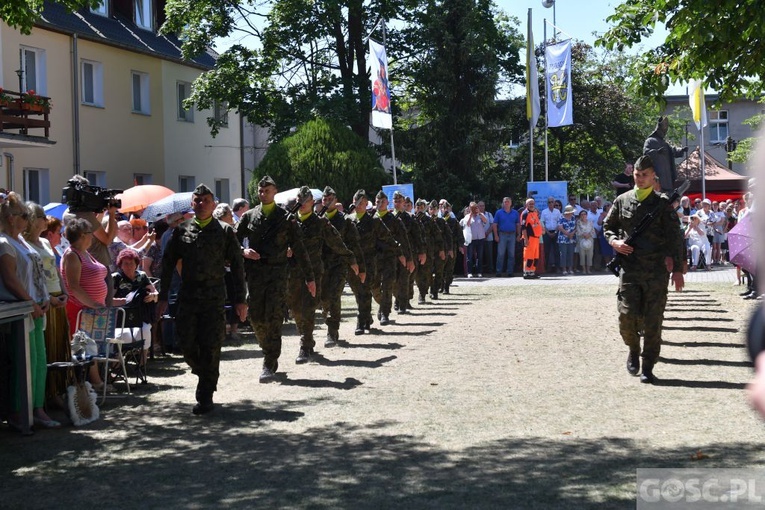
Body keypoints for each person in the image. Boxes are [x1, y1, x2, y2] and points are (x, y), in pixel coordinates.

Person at [158, 184, 247, 414]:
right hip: (188, 295)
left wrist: (240, 299)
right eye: (197, 200)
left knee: (211, 345)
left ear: (213, 204)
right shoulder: (181, 230)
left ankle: (205, 395)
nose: (201, 204)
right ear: (192, 204)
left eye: (206, 200)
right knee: (185, 343)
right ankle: (204, 372)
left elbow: (237, 267)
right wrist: (162, 296)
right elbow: (167, 264)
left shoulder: (225, 231)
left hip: (214, 296)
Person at [604, 154, 685, 384]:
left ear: (653, 177)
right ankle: (633, 349)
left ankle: (648, 365)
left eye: (644, 175)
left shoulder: (662, 204)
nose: (640, 179)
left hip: (656, 272)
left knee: (653, 321)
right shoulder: (622, 200)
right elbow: (608, 226)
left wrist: (677, 269)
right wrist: (614, 242)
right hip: (629, 271)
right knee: (626, 317)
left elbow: (675, 238)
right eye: (637, 175)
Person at [235, 176, 314, 383]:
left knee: (274, 316)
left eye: (267, 190)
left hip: (278, 275)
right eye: (261, 191)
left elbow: (300, 249)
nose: (263, 194)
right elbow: (232, 241)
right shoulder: (249, 216)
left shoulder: (286, 218)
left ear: (274, 191)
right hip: (255, 274)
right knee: (256, 317)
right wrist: (243, 251)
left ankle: (270, 361)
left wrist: (309, 277)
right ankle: (267, 348)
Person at [0, 194, 58, 429]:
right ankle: (18, 412)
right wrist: (30, 302)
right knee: (23, 363)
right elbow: (11, 279)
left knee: (39, 361)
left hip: (36, 307)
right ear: (12, 219)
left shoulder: (22, 242)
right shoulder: (4, 243)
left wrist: (45, 300)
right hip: (21, 311)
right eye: (24, 215)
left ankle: (37, 408)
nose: (27, 219)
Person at [287, 186, 357, 362]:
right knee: (296, 310)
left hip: (315, 272)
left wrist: (351, 259)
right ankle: (306, 339)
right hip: (294, 272)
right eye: (299, 200)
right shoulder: (288, 222)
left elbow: (336, 242)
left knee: (309, 308)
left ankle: (306, 346)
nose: (301, 204)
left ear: (312, 203)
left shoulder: (320, 223)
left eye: (306, 201)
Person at [24, 203, 70, 406]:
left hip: (58, 297)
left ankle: (58, 389)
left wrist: (65, 291)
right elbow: (36, 276)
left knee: (60, 344)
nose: (46, 219)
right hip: (44, 301)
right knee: (47, 347)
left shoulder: (44, 242)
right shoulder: (25, 244)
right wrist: (50, 298)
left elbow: (56, 269)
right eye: (42, 216)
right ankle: (45, 393)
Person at [61, 217, 110, 390]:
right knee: (83, 347)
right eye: (90, 233)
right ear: (82, 235)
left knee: (91, 346)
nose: (92, 236)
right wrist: (93, 304)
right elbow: (73, 286)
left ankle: (95, 381)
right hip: (80, 310)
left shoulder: (83, 252)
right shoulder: (72, 255)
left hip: (90, 310)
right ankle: (92, 383)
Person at [347, 189, 402, 334]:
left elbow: (388, 238)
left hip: (370, 262)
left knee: (364, 290)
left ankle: (361, 320)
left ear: (366, 204)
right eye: (356, 202)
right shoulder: (348, 220)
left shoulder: (374, 221)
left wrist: (399, 251)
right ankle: (366, 317)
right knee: (358, 292)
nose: (358, 205)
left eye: (362, 203)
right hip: (353, 262)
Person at [112, 248, 158, 369]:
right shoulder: (116, 278)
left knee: (145, 330)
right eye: (125, 263)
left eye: (131, 263)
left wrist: (152, 296)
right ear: (120, 265)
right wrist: (124, 301)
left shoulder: (142, 276)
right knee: (123, 335)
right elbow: (108, 301)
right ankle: (117, 366)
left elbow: (155, 294)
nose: (128, 266)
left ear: (136, 264)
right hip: (121, 316)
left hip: (140, 314)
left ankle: (142, 363)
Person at [373, 191, 412, 325]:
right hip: (374, 259)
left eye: (383, 202)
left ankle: (385, 312)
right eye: (377, 202)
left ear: (387, 203)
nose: (380, 204)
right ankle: (382, 304)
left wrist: (407, 257)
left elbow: (404, 240)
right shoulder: (370, 218)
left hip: (390, 257)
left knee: (388, 284)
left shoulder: (394, 220)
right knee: (374, 286)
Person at [392, 191, 424, 312]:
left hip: (407, 252)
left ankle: (403, 304)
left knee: (405, 279)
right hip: (392, 253)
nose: (398, 203)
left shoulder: (409, 218)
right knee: (393, 279)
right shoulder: (389, 217)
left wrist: (421, 252)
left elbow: (417, 236)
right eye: (396, 201)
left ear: (404, 203)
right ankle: (398, 299)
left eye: (400, 201)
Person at [643, 116, 687, 193]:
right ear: (658, 130)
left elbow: (672, 150)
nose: (664, 133)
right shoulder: (650, 141)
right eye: (663, 131)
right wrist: (656, 152)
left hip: (667, 176)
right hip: (657, 173)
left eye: (665, 131)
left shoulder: (665, 143)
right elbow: (646, 153)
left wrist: (681, 150)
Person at [493, 197, 521, 277]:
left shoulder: (515, 213)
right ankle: (498, 271)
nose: (507, 203)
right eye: (505, 202)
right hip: (502, 234)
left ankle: (510, 271)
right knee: (500, 254)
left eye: (508, 201)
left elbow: (518, 224)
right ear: (503, 203)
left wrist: (519, 234)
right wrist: (496, 235)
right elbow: (495, 225)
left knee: (511, 254)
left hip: (512, 234)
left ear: (511, 203)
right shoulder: (498, 212)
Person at [441, 201, 463, 293]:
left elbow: (459, 234)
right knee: (440, 268)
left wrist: (461, 245)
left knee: (449, 268)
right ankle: (440, 286)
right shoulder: (438, 220)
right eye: (443, 208)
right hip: (441, 247)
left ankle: (446, 287)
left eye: (447, 208)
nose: (445, 210)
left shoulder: (454, 221)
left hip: (451, 247)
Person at [461, 201, 487, 278]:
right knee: (469, 256)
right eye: (472, 208)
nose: (474, 209)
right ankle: (469, 272)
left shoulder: (480, 215)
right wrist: (471, 215)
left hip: (480, 238)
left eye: (475, 207)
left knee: (480, 256)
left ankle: (479, 272)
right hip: (471, 239)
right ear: (469, 208)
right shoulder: (467, 216)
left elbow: (485, 221)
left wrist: (479, 213)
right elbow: (467, 224)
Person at [520, 198, 543, 279]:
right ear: (526, 205)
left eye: (533, 203)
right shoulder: (525, 213)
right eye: (530, 203)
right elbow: (523, 228)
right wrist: (526, 239)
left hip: (536, 238)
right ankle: (526, 272)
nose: (531, 205)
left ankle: (532, 272)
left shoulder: (535, 212)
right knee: (528, 256)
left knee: (535, 257)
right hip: (529, 238)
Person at [539, 196, 561, 274]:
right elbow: (542, 223)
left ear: (554, 203)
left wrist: (555, 232)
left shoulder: (557, 212)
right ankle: (546, 268)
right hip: (547, 233)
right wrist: (548, 232)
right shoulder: (544, 212)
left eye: (552, 202)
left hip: (556, 232)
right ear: (547, 203)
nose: (551, 203)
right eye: (549, 202)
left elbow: (559, 222)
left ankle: (558, 268)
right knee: (546, 251)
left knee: (557, 251)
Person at [557, 205, 577, 275]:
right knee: (563, 254)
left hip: (572, 238)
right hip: (563, 239)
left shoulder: (573, 218)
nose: (572, 213)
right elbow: (560, 227)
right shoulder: (561, 217)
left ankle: (570, 269)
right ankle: (564, 269)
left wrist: (572, 234)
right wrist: (568, 234)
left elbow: (576, 227)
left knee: (571, 254)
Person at [575, 210, 596, 274]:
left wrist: (588, 235)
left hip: (590, 239)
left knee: (590, 255)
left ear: (586, 215)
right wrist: (584, 235)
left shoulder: (590, 222)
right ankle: (584, 269)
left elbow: (593, 230)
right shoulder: (578, 222)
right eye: (582, 214)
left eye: (584, 214)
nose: (583, 215)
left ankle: (588, 269)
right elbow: (578, 231)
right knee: (582, 255)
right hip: (581, 239)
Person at [477, 201, 494, 275]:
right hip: (478, 238)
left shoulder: (489, 214)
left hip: (488, 237)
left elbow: (492, 225)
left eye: (483, 206)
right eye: (480, 206)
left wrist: (487, 233)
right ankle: (479, 270)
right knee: (479, 255)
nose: (482, 207)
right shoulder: (475, 215)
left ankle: (490, 269)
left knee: (489, 254)